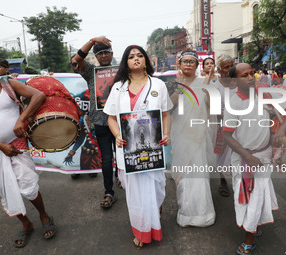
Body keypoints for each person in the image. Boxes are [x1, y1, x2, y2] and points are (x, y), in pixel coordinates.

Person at [0, 52, 55, 248]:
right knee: (6, 189)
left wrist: (22, 118)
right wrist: (0, 146)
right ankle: (26, 223)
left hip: (17, 144)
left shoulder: (7, 84)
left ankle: (44, 216)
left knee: (28, 184)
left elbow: (39, 95)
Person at [223, 63, 286, 255]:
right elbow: (227, 136)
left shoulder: (266, 94)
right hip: (243, 158)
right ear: (234, 81)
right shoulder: (233, 103)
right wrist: (247, 156)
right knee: (245, 198)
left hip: (264, 156)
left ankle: (249, 239)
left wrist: (281, 129)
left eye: (251, 73)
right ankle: (253, 225)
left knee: (255, 198)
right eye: (244, 75)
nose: (250, 77)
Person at [103, 45, 172, 249]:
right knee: (135, 194)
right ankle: (142, 231)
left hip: (153, 150)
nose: (136, 59)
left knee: (156, 189)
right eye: (131, 56)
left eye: (139, 55)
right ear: (125, 62)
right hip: (128, 150)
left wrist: (166, 134)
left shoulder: (158, 85)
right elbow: (111, 118)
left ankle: (153, 218)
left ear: (146, 60)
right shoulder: (118, 87)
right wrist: (117, 135)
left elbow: (166, 113)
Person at [170, 49, 216, 227]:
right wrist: (178, 90)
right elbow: (167, 108)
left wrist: (208, 90)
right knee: (183, 176)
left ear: (197, 66)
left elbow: (212, 109)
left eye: (192, 61)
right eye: (185, 61)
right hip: (180, 134)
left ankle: (203, 215)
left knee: (199, 175)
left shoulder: (205, 83)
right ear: (179, 65)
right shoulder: (173, 84)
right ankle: (186, 214)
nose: (188, 64)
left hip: (198, 135)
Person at [73, 36, 118, 208]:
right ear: (96, 56)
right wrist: (93, 40)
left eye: (107, 52)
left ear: (112, 54)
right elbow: (77, 59)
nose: (104, 55)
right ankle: (109, 192)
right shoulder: (90, 71)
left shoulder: (121, 71)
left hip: (121, 121)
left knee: (122, 157)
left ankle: (122, 180)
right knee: (106, 159)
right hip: (100, 122)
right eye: (100, 53)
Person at [214, 54, 236, 197]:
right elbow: (215, 109)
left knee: (238, 155)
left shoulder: (239, 83)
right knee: (221, 155)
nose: (229, 69)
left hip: (241, 124)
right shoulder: (215, 86)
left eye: (231, 66)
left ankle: (238, 181)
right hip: (222, 124)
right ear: (219, 69)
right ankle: (223, 181)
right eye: (225, 67)